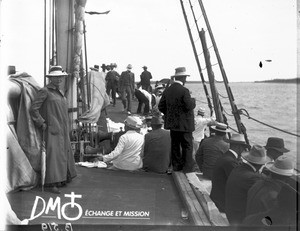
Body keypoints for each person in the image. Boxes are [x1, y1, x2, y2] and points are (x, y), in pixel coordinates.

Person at [30, 66, 77, 194]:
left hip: (62, 128)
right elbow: (34, 108)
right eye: (55, 77)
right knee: (52, 155)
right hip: (51, 128)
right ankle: (51, 183)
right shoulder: (45, 91)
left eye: (60, 77)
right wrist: (42, 123)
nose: (58, 79)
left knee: (61, 154)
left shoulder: (59, 92)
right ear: (50, 78)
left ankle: (61, 179)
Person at [158, 67, 197, 173]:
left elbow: (161, 107)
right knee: (187, 146)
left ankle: (177, 166)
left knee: (175, 145)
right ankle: (187, 168)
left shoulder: (168, 90)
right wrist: (193, 100)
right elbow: (189, 106)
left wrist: (170, 114)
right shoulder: (184, 91)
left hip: (172, 124)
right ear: (184, 78)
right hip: (185, 125)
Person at [225, 145, 271, 225]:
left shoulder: (238, 168)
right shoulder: (253, 177)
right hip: (239, 218)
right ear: (261, 164)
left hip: (231, 212)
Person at [210, 133, 250, 213]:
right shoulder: (230, 161)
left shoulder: (226, 157)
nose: (243, 150)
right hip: (222, 203)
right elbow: (238, 182)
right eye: (243, 148)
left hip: (217, 196)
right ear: (238, 147)